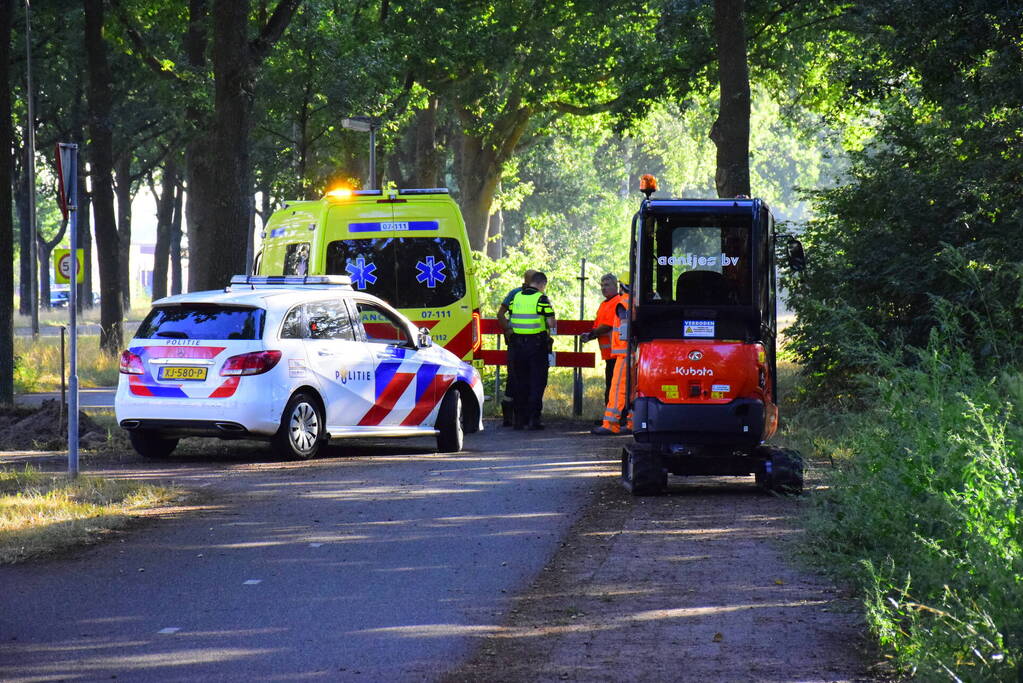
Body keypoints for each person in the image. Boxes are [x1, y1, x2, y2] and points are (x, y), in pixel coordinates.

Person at [502, 271, 556, 430]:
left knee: (520, 382)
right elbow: (551, 323)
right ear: (542, 284)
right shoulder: (541, 299)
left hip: (517, 346)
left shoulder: (516, 297)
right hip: (536, 346)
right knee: (537, 382)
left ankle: (519, 419)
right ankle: (534, 419)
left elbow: (510, 317)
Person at [496, 269, 537, 426]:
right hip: (517, 343)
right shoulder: (515, 293)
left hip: (531, 344)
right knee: (514, 377)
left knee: (527, 377)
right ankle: (509, 415)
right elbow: (500, 314)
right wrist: (508, 330)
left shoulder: (538, 295)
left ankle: (524, 415)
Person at [592, 276, 632, 436]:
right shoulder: (638, 301)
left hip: (623, 353)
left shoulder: (623, 303)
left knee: (617, 389)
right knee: (633, 390)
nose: (603, 288)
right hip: (634, 354)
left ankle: (611, 424)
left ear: (620, 286)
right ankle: (631, 422)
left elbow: (622, 329)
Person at [579, 273, 620, 412]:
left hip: (618, 354)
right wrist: (590, 336)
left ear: (616, 286)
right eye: (602, 285)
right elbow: (598, 327)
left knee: (614, 387)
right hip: (609, 354)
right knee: (610, 385)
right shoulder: (604, 304)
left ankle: (613, 418)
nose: (603, 288)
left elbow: (607, 326)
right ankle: (609, 416)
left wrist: (590, 335)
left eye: (607, 285)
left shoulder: (617, 302)